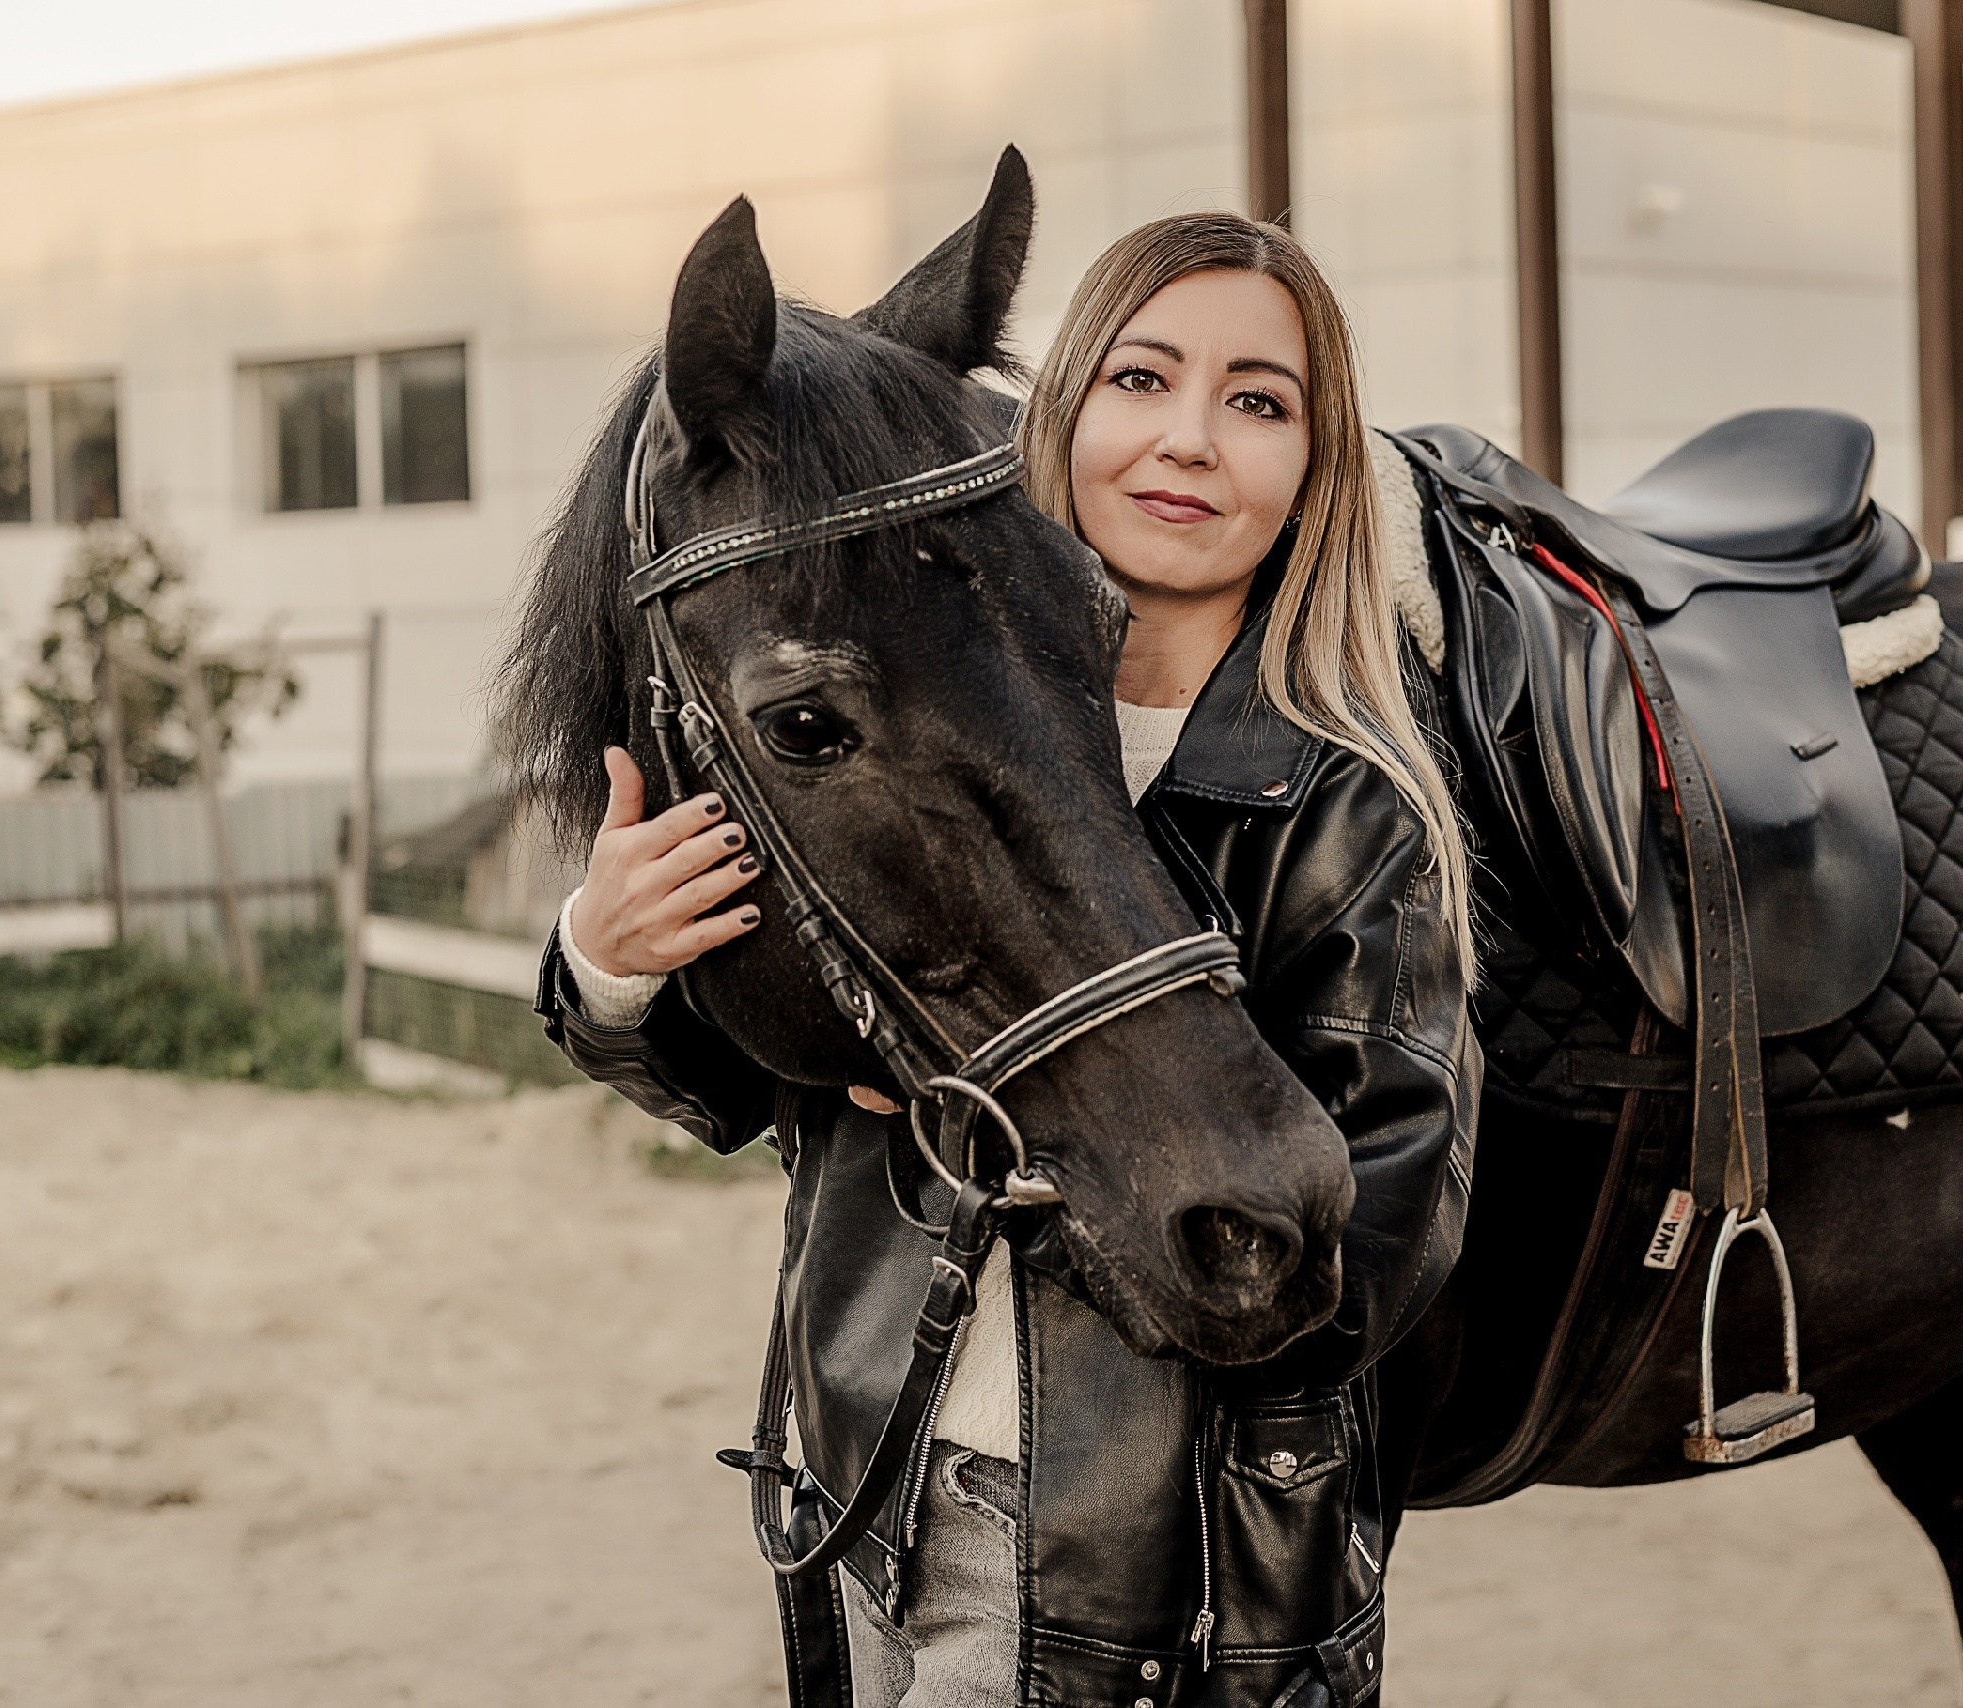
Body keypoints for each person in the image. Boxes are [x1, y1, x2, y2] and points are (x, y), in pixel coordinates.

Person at [537, 211, 1476, 1708]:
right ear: (1057, 410)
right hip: (862, 1478)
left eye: (1258, 402)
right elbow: (752, 1086)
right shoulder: (922, 714)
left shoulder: (1347, 800)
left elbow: (1371, 1237)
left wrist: (1026, 1131)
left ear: (1317, 460)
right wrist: (610, 962)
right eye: (1141, 379)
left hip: (1141, 1560)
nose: (1190, 441)